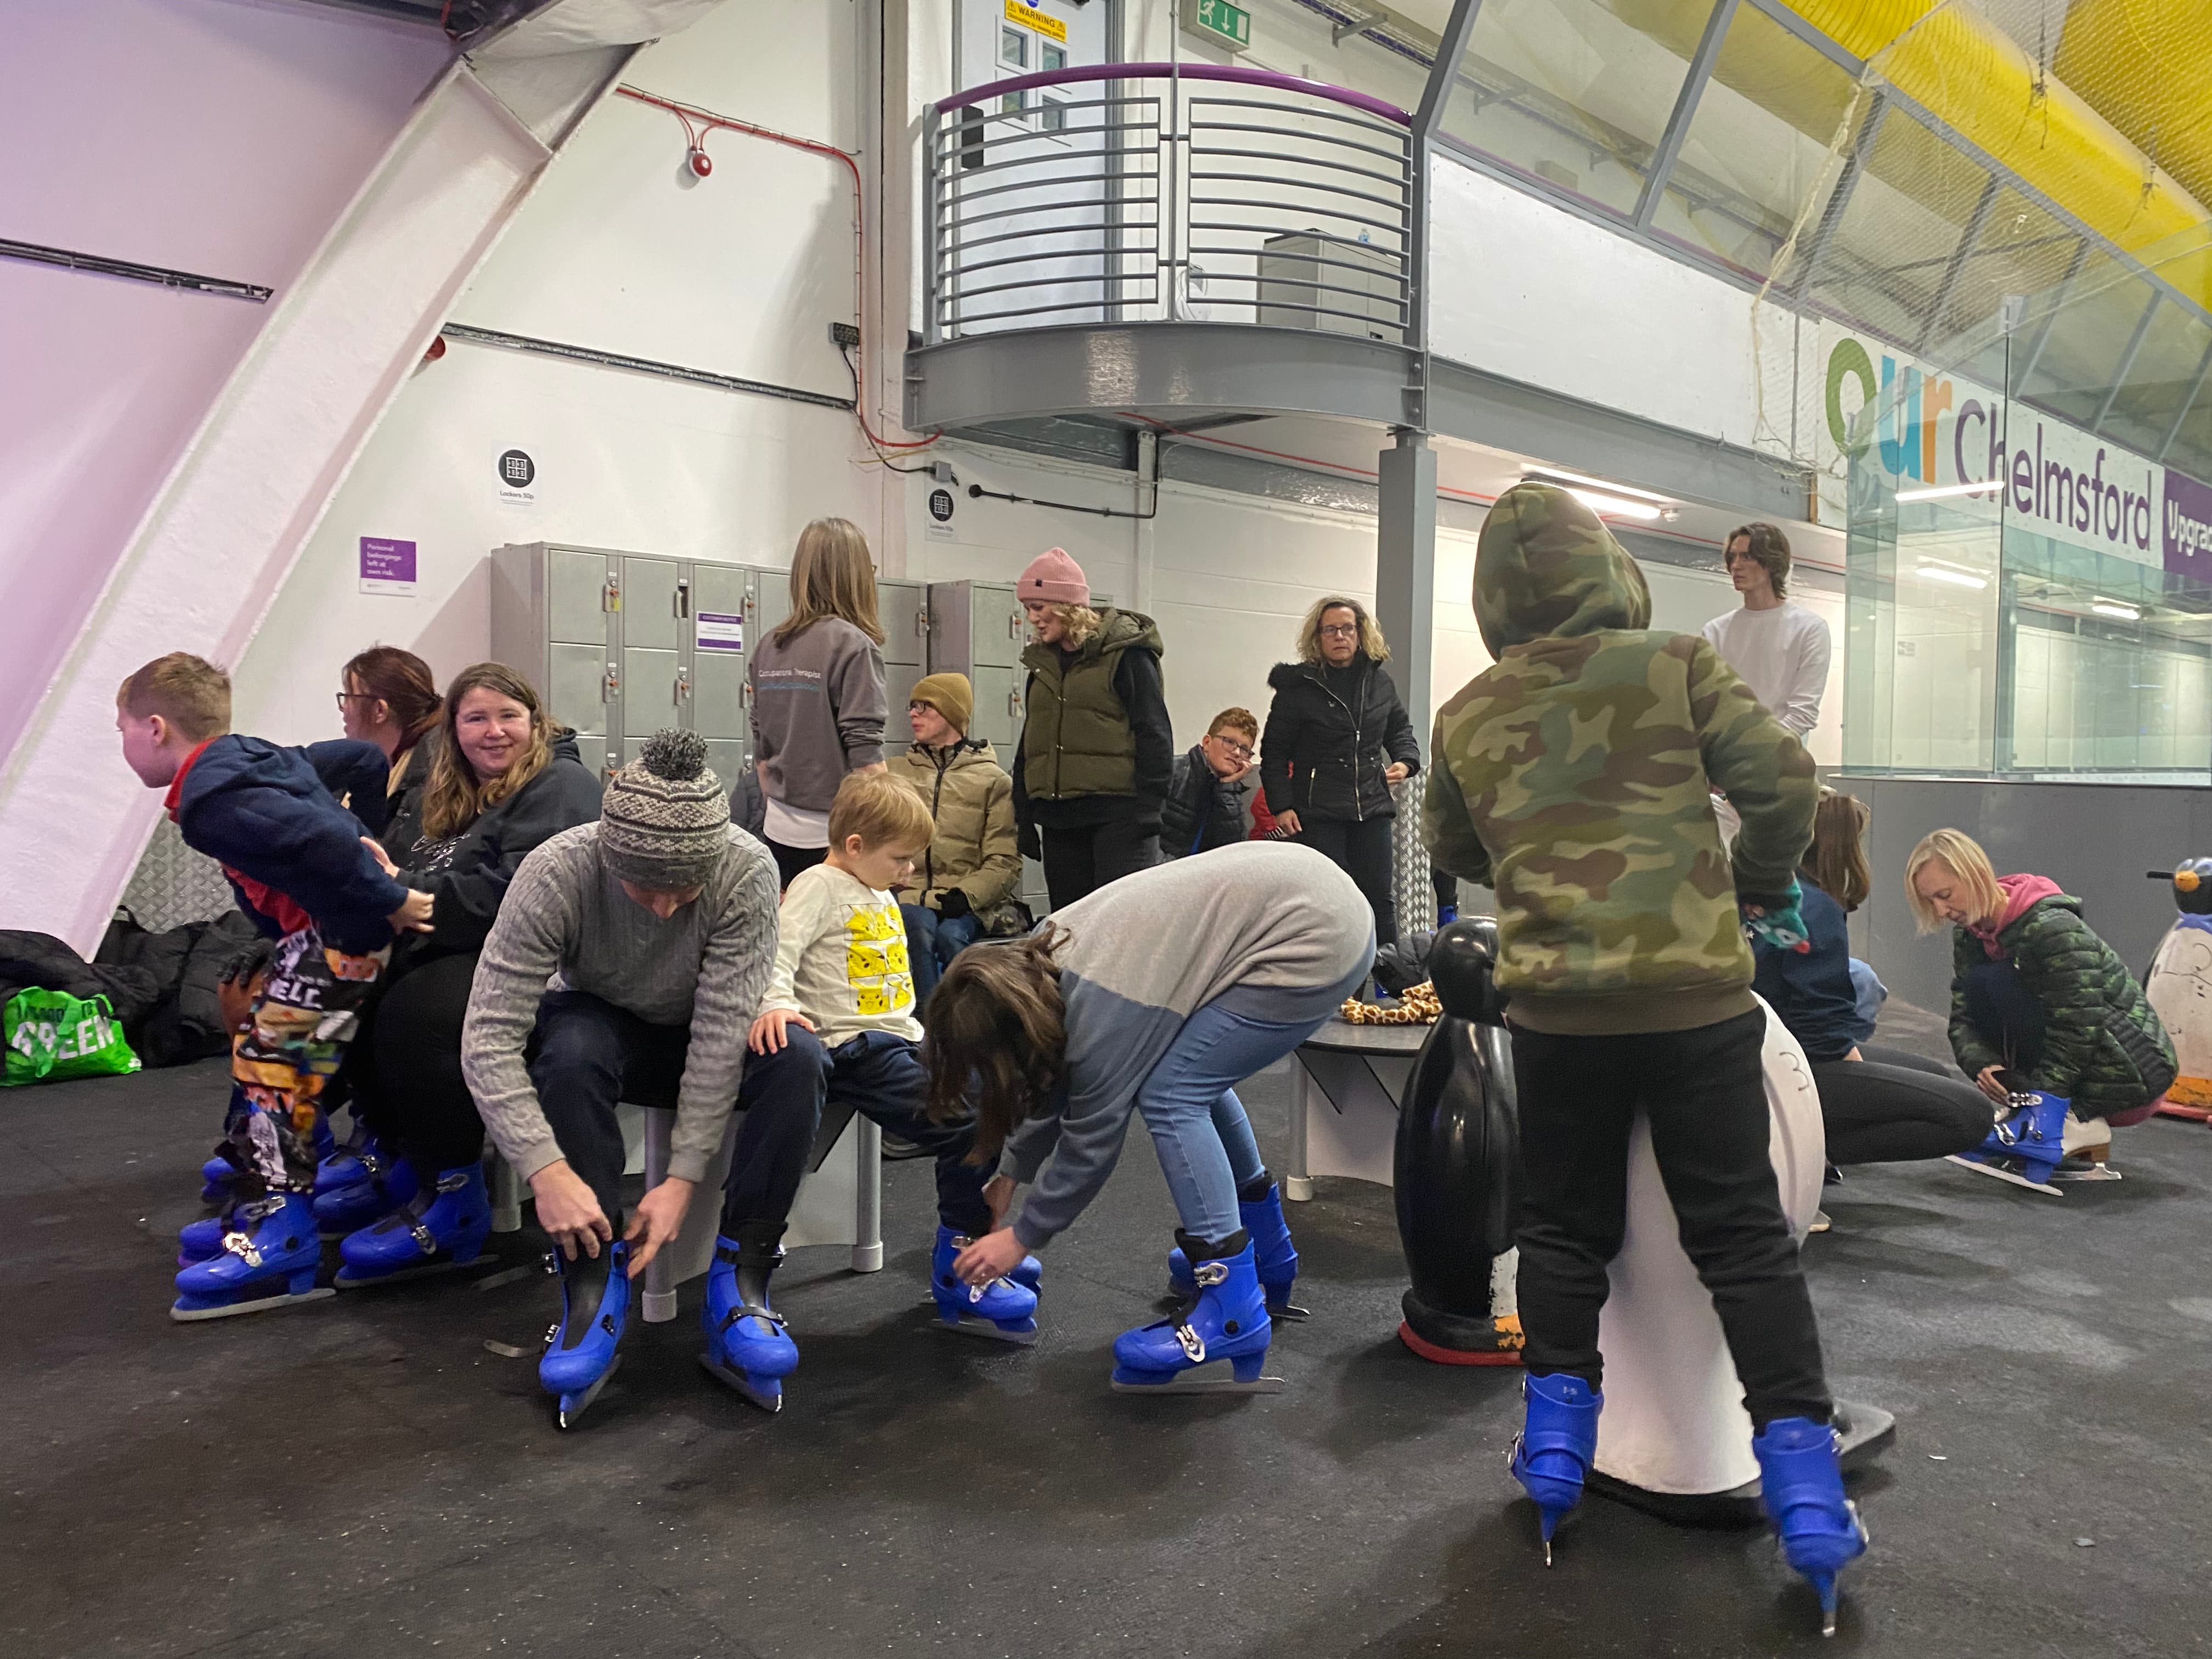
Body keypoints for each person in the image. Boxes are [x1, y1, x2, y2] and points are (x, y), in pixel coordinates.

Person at [1423, 483, 1862, 1630]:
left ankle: (1560, 1444)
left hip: (1559, 1013)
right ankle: (1806, 1480)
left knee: (1563, 1224)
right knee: (1741, 1232)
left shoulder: (1466, 711)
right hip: (1695, 1002)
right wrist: (1759, 882)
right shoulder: (1675, 663)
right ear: (1608, 571)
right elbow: (1786, 785)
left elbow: (1457, 845)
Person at [925, 843, 1373, 1393]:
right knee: (1190, 1073)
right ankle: (1267, 1257)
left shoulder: (1105, 1013)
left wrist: (1021, 1237)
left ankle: (1232, 1312)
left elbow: (1090, 1143)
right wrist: (1010, 1174)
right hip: (1310, 896)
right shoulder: (1033, 962)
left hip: (1313, 938)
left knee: (1171, 1093)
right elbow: (1054, 1078)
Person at [460, 731, 785, 1427]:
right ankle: (590, 1280)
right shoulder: (559, 871)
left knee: (800, 1062)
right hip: (603, 1016)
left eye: (685, 891)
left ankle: (744, 1275)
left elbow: (723, 1031)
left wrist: (681, 1180)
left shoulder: (747, 869)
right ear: (613, 863)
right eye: (647, 889)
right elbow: (488, 1037)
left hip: (702, 1025)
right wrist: (545, 1172)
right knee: (568, 1051)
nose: (668, 910)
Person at [116, 652, 432, 1321]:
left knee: (273, 1068)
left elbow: (319, 836)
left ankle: (284, 1234)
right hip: (320, 933)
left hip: (344, 935)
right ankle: (273, 1206)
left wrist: (389, 895)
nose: (122, 746)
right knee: (263, 1062)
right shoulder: (249, 755)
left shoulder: (211, 801)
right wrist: (371, 833)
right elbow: (362, 763)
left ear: (153, 728)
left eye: (120, 731)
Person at [726, 772, 1041, 1408]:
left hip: (892, 1042)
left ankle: (962, 1250)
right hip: (845, 1047)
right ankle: (739, 1272)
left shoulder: (875, 891)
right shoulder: (819, 886)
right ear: (853, 842)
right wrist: (777, 1005)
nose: (909, 869)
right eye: (899, 857)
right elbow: (776, 954)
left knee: (979, 1104)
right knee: (962, 1106)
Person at [325, 663, 605, 1283]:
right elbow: (410, 865)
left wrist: (410, 894)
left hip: (542, 958)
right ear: (454, 729)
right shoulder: (450, 789)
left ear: (536, 723)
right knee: (353, 985)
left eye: (509, 716)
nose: (494, 732)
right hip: (460, 935)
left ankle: (454, 1195)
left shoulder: (560, 785)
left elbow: (518, 897)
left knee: (422, 1016)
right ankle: (398, 1156)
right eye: (476, 718)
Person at [1908, 828, 2176, 1189]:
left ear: (1975, 874)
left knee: (1999, 981)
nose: (1941, 910)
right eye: (1931, 902)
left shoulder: (2053, 928)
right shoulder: (1971, 935)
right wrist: (1988, 1067)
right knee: (1983, 985)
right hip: (2081, 1064)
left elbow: (2079, 1025)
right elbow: (1963, 1018)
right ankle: (2050, 1112)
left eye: (1945, 895)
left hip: (2136, 1071)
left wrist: (2046, 1099)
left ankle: (2068, 1119)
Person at [1752, 790, 1990, 1175]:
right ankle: (1795, 1159)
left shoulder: (1759, 893)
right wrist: (1850, 1061)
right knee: (1970, 1115)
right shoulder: (1813, 907)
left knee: (1933, 1077)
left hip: (1756, 1055)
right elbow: (1822, 1031)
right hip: (1781, 1069)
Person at [1011, 547, 1171, 909]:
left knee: (1119, 922)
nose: (1032, 618)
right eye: (1028, 609)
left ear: (1068, 606)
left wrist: (1148, 813)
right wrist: (1023, 814)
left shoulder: (1126, 655)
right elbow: (1031, 742)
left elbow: (1155, 734)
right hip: (1060, 818)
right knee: (1069, 926)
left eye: (1040, 607)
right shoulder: (1044, 665)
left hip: (1118, 816)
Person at [1262, 596, 1420, 949]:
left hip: (1372, 806)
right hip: (1318, 811)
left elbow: (1399, 730)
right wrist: (1281, 806)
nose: (1340, 636)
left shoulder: (1380, 684)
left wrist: (1406, 760)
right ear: (1318, 637)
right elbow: (1273, 753)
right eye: (1330, 629)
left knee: (1380, 899)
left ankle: (1388, 987)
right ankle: (1338, 991)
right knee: (1330, 903)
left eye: (1347, 628)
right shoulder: (1297, 689)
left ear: (1360, 634)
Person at [749, 517, 889, 889]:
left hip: (778, 828)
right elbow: (866, 762)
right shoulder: (854, 646)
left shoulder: (769, 645)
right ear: (857, 576)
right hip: (836, 837)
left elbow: (762, 756)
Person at [888, 673, 1023, 1005]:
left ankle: (971, 1027)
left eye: (925, 706)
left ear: (951, 713)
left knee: (951, 938)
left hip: (965, 899)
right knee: (916, 929)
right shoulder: (894, 772)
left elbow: (1004, 859)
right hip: (909, 893)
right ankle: (927, 1030)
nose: (913, 714)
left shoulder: (993, 781)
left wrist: (966, 895)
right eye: (911, 707)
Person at [1701, 522, 1830, 743]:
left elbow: (1803, 712)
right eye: (1732, 558)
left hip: (1782, 762)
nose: (1736, 566)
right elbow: (1707, 704)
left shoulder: (1809, 628)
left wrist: (1758, 748)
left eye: (1747, 557)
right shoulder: (1715, 631)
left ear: (1771, 563)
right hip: (1724, 761)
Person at [336, 645, 444, 834]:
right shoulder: (354, 766)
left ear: (380, 710)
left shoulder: (430, 780)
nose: (343, 708)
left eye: (348, 698)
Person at [1161, 707, 1268, 860]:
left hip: (1201, 876)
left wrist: (1227, 789)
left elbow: (1232, 855)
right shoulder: (1173, 771)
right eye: (1229, 742)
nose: (1237, 753)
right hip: (1157, 872)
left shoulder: (1232, 791)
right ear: (1207, 742)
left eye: (1245, 749)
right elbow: (1144, 836)